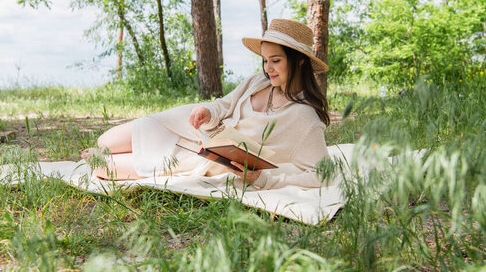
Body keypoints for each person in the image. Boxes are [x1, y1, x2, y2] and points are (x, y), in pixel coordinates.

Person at [84, 19, 330, 190]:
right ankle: (109, 150)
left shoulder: (304, 117)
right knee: (105, 140)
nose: (268, 68)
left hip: (206, 156)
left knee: (101, 167)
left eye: (275, 60)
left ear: (299, 61)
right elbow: (224, 104)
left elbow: (321, 175)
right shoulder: (259, 81)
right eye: (265, 60)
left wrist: (262, 178)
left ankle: (106, 158)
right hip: (191, 126)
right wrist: (207, 111)